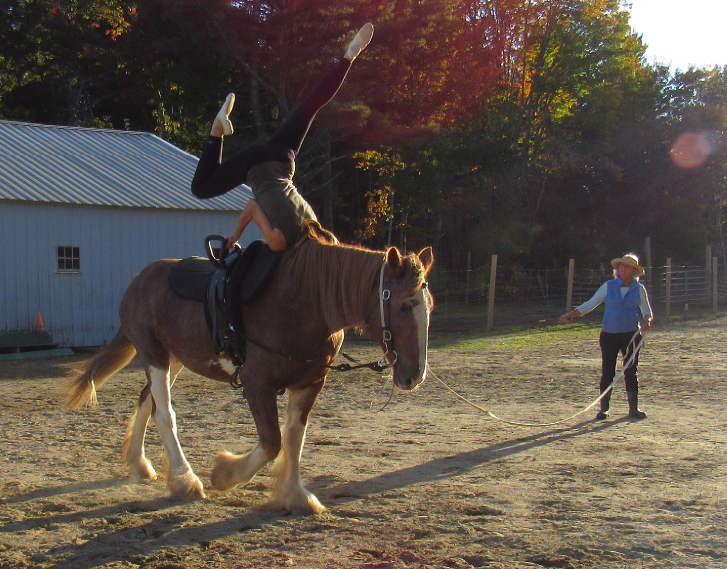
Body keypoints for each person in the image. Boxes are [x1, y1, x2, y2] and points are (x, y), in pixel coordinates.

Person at [191, 23, 375, 251]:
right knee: (200, 188)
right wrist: (235, 235)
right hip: (256, 166)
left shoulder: (315, 225)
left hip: (283, 158)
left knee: (312, 104)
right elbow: (251, 206)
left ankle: (350, 55)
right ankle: (217, 130)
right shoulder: (280, 242)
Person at [558, 253, 653, 420]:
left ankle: (633, 408)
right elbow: (590, 304)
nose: (623, 269)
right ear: (617, 269)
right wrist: (570, 315)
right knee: (607, 370)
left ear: (633, 271)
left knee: (631, 370)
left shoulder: (639, 289)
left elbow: (646, 311)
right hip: (609, 335)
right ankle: (604, 409)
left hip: (631, 335)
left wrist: (646, 321)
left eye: (628, 266)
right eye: (621, 266)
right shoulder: (608, 286)